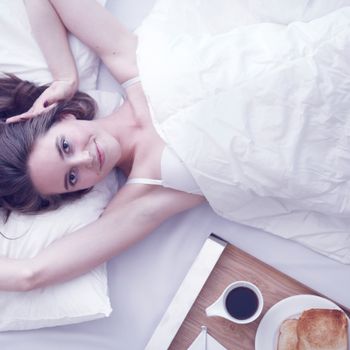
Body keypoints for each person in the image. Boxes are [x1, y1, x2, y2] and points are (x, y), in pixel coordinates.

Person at [1, 0, 350, 292]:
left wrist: (65, 76)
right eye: (72, 178)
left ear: (61, 118)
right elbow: (29, 275)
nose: (86, 159)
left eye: (65, 147)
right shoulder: (143, 197)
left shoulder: (125, 57)